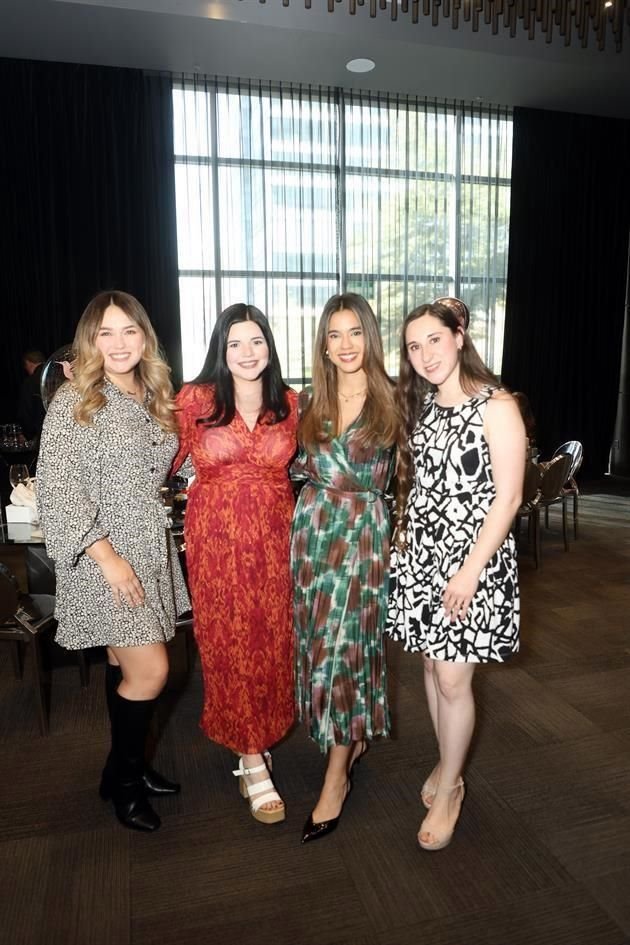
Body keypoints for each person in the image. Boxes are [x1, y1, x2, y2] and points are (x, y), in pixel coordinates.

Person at [37, 290, 190, 833]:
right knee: (152, 672)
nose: (119, 342)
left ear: (145, 336)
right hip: (106, 558)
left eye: (129, 330)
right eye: (106, 332)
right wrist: (109, 558)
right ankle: (125, 786)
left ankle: (122, 769)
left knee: (124, 666)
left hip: (148, 548)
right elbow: (58, 491)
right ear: (90, 341)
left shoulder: (152, 394)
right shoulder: (78, 398)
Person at [387, 301, 524, 851]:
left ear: (459, 337)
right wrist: (404, 536)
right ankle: (448, 764)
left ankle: (450, 787)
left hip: (474, 560)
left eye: (434, 341)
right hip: (423, 554)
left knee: (452, 679)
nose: (424, 356)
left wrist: (469, 571)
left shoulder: (497, 405)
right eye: (414, 347)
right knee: (430, 664)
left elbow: (509, 497)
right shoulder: (423, 407)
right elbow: (420, 485)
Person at [171, 303, 298, 825]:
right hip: (216, 538)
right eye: (235, 344)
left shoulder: (291, 402)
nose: (248, 354)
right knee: (227, 638)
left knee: (270, 638)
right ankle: (250, 757)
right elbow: (161, 458)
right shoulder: (194, 400)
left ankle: (260, 734)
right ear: (220, 350)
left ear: (270, 347)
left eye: (257, 342)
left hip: (275, 537)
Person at [291, 292, 398, 844]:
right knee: (317, 649)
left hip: (364, 536)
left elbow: (416, 482)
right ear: (323, 346)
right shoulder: (310, 398)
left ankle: (336, 780)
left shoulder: (396, 400)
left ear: (370, 337)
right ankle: (349, 739)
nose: (345, 345)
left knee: (345, 652)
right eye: (334, 335)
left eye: (354, 332)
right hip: (313, 535)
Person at [17, 348, 46, 442]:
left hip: (41, 432)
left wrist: (26, 434)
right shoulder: (55, 375)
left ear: (28, 363)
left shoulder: (30, 382)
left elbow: (26, 410)